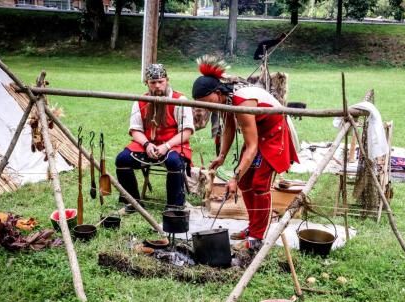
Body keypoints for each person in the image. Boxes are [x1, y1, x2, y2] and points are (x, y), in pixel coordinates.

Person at [192, 56, 299, 251]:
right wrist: (222, 155)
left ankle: (257, 237)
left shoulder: (241, 104)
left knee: (259, 184)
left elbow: (251, 147)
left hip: (274, 135)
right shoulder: (226, 101)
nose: (204, 107)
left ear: (216, 93)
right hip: (258, 136)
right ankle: (253, 227)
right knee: (245, 181)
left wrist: (233, 176)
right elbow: (229, 129)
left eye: (205, 101)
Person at [115, 63, 194, 212]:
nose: (157, 86)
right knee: (122, 159)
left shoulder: (180, 99)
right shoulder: (140, 100)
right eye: (153, 82)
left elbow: (187, 131)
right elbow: (135, 130)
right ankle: (134, 203)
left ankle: (174, 206)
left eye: (161, 81)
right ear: (147, 83)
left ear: (167, 80)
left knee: (174, 161)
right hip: (147, 144)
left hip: (173, 144)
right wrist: (146, 145)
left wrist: (166, 146)